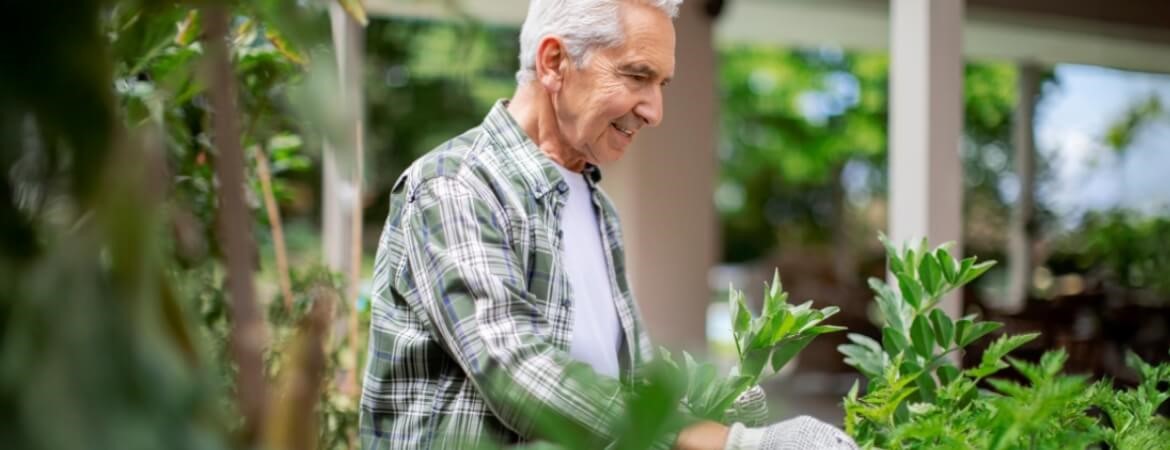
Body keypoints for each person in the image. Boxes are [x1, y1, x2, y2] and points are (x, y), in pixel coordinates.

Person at [359, 1, 857, 449]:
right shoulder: (457, 185)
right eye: (636, 76)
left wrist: (725, 402)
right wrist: (723, 442)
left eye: (661, 84)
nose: (655, 111)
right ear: (554, 63)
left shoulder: (597, 206)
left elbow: (627, 376)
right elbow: (515, 370)